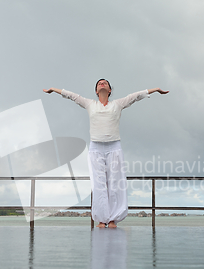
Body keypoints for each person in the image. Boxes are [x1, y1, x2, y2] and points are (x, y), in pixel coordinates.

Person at [43, 79, 168, 228]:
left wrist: (154, 89)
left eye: (105, 83)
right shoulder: (90, 104)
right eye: (99, 83)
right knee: (99, 184)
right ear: (96, 91)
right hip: (96, 148)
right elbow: (72, 96)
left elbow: (135, 96)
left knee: (115, 182)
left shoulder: (118, 104)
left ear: (109, 90)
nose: (102, 83)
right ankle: (102, 218)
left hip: (114, 147)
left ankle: (113, 218)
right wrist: (54, 89)